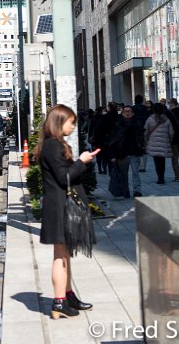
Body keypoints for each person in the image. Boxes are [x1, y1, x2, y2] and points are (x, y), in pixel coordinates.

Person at [36, 104, 97, 319]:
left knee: (64, 255)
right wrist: (81, 161)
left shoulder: (52, 144)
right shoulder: (53, 145)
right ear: (59, 122)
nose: (73, 127)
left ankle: (67, 295)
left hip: (58, 206)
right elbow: (64, 177)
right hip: (59, 207)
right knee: (60, 256)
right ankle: (59, 302)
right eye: (71, 122)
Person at [106, 105, 145, 198]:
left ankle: (137, 190)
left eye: (129, 111)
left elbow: (141, 137)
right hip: (122, 153)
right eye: (125, 111)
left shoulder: (137, 124)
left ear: (132, 113)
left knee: (135, 172)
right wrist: (113, 155)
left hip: (134, 151)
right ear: (122, 113)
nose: (127, 113)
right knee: (124, 174)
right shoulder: (118, 125)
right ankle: (125, 190)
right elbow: (113, 141)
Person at [144, 104, 174, 186]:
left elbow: (146, 131)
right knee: (162, 161)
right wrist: (169, 140)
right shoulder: (167, 120)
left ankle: (160, 178)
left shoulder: (150, 119)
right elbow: (171, 132)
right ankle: (162, 177)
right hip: (164, 142)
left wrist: (146, 140)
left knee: (156, 161)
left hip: (153, 143)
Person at [132, 96, 150, 171]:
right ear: (142, 100)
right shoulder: (145, 109)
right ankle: (143, 166)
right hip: (144, 129)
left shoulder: (133, 108)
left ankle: (138, 164)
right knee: (144, 147)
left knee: (136, 147)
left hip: (135, 130)